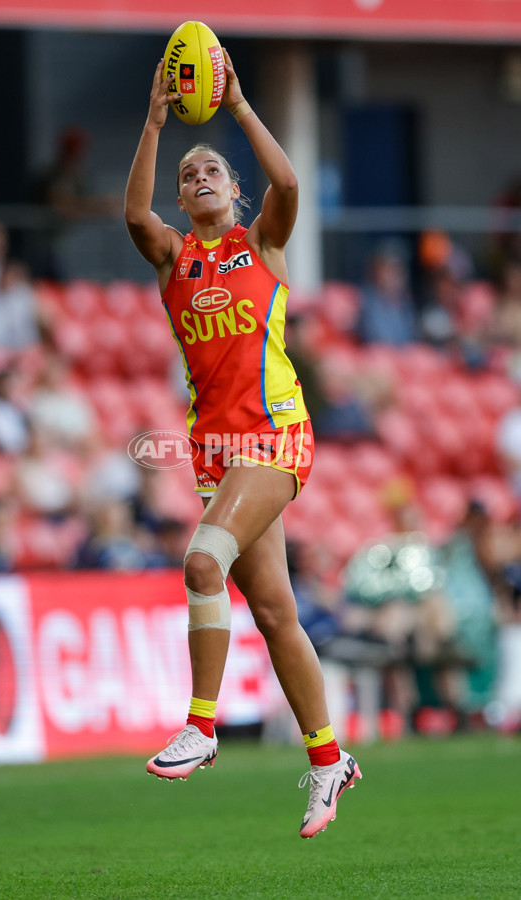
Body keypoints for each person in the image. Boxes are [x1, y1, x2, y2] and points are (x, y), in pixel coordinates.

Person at [124, 50, 361, 839]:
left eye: (212, 169)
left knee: (200, 562)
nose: (197, 177)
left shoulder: (262, 242)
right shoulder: (174, 259)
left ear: (234, 190)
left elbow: (289, 186)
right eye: (188, 173)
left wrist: (241, 105)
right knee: (273, 610)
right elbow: (133, 218)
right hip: (219, 452)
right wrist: (159, 121)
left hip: (276, 435)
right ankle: (328, 759)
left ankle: (201, 725)